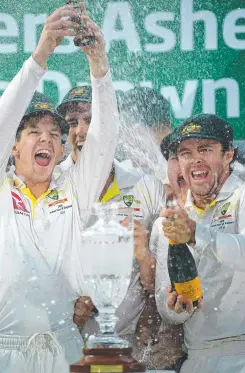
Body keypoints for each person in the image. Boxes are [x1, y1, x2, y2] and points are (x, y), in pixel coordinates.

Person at [0, 5, 118, 373]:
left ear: (63, 150)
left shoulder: (73, 190)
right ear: (13, 147)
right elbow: (1, 124)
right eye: (33, 132)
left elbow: (105, 137)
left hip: (64, 349)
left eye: (54, 134)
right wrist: (42, 53)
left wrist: (99, 63)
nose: (45, 139)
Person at [153, 114, 245, 373]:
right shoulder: (168, 223)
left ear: (228, 154)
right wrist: (177, 308)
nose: (196, 159)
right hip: (196, 357)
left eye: (205, 149)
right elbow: (165, 306)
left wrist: (194, 234)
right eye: (186, 153)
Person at [55, 85, 167, 368]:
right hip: (68, 342)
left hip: (132, 346)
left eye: (90, 121)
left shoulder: (146, 186)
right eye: (72, 123)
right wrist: (67, 309)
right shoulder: (53, 184)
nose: (80, 131)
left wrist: (151, 307)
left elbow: (161, 271)